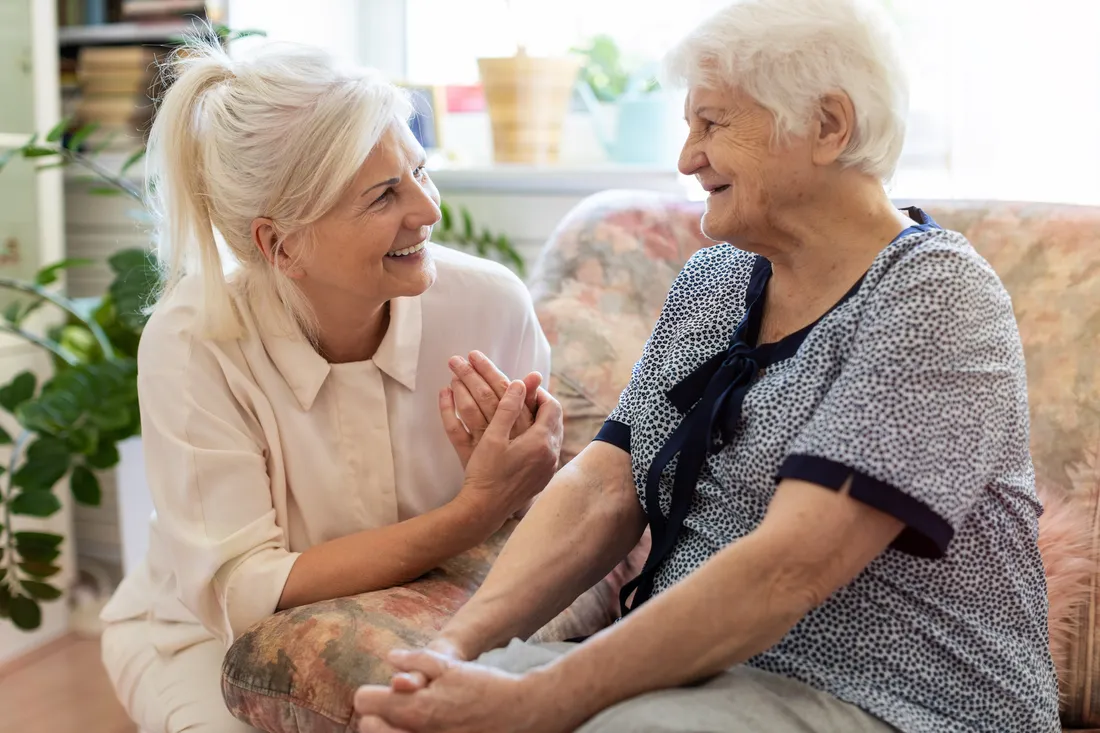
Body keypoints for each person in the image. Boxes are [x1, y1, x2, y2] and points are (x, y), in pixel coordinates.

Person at [352, 0, 1061, 731]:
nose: (687, 158)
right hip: (703, 680)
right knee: (405, 720)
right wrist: (454, 651)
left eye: (713, 124)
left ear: (828, 126)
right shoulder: (716, 280)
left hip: (900, 701)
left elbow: (791, 566)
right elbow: (604, 487)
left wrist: (539, 702)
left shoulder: (936, 296)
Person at [97, 35, 562, 733]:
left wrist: (523, 482)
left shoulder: (489, 305)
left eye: (419, 170)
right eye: (383, 196)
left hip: (417, 616)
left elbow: (539, 508)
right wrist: (475, 509)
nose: (428, 210)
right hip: (202, 640)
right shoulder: (192, 342)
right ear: (279, 245)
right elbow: (247, 591)